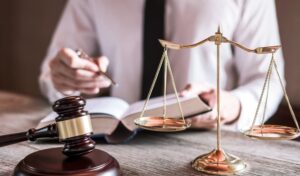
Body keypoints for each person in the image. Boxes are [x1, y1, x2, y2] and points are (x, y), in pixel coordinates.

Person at [39, 0, 284, 131]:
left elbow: (269, 78)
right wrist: (67, 79)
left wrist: (233, 105)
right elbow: (52, 75)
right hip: (116, 139)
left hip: (205, 142)